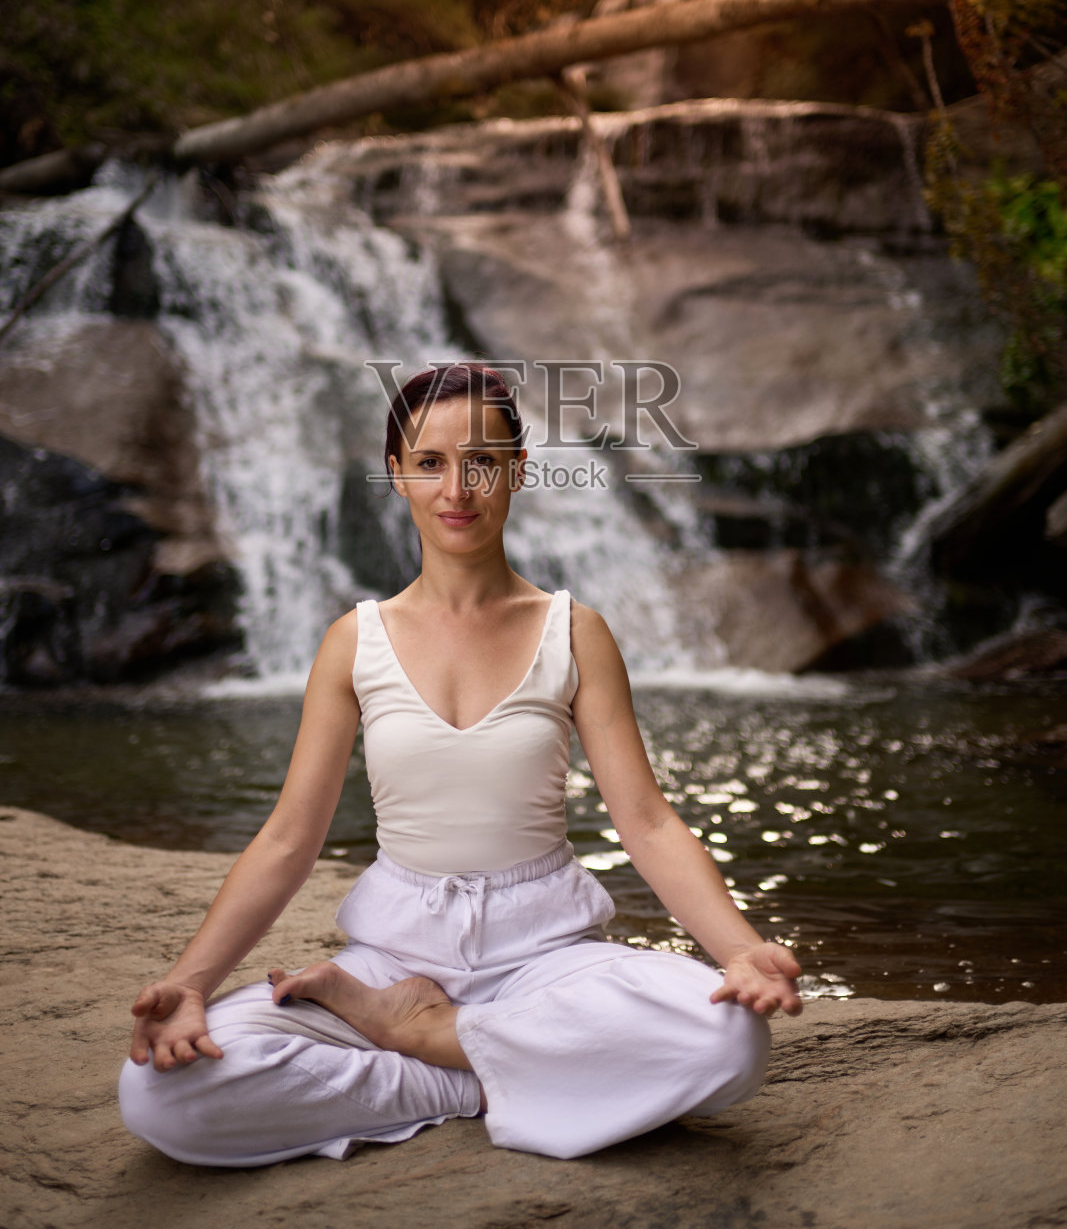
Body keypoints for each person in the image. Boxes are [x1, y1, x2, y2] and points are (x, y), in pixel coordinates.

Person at [119, 364, 802, 1166]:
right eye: (430, 463)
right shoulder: (354, 641)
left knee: (728, 1037)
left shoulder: (574, 631)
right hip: (392, 956)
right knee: (162, 1094)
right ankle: (484, 1077)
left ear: (516, 470)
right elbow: (288, 841)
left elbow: (645, 823)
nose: (457, 488)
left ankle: (431, 1041)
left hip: (544, 954)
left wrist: (738, 950)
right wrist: (191, 987)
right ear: (398, 477)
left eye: (481, 461)